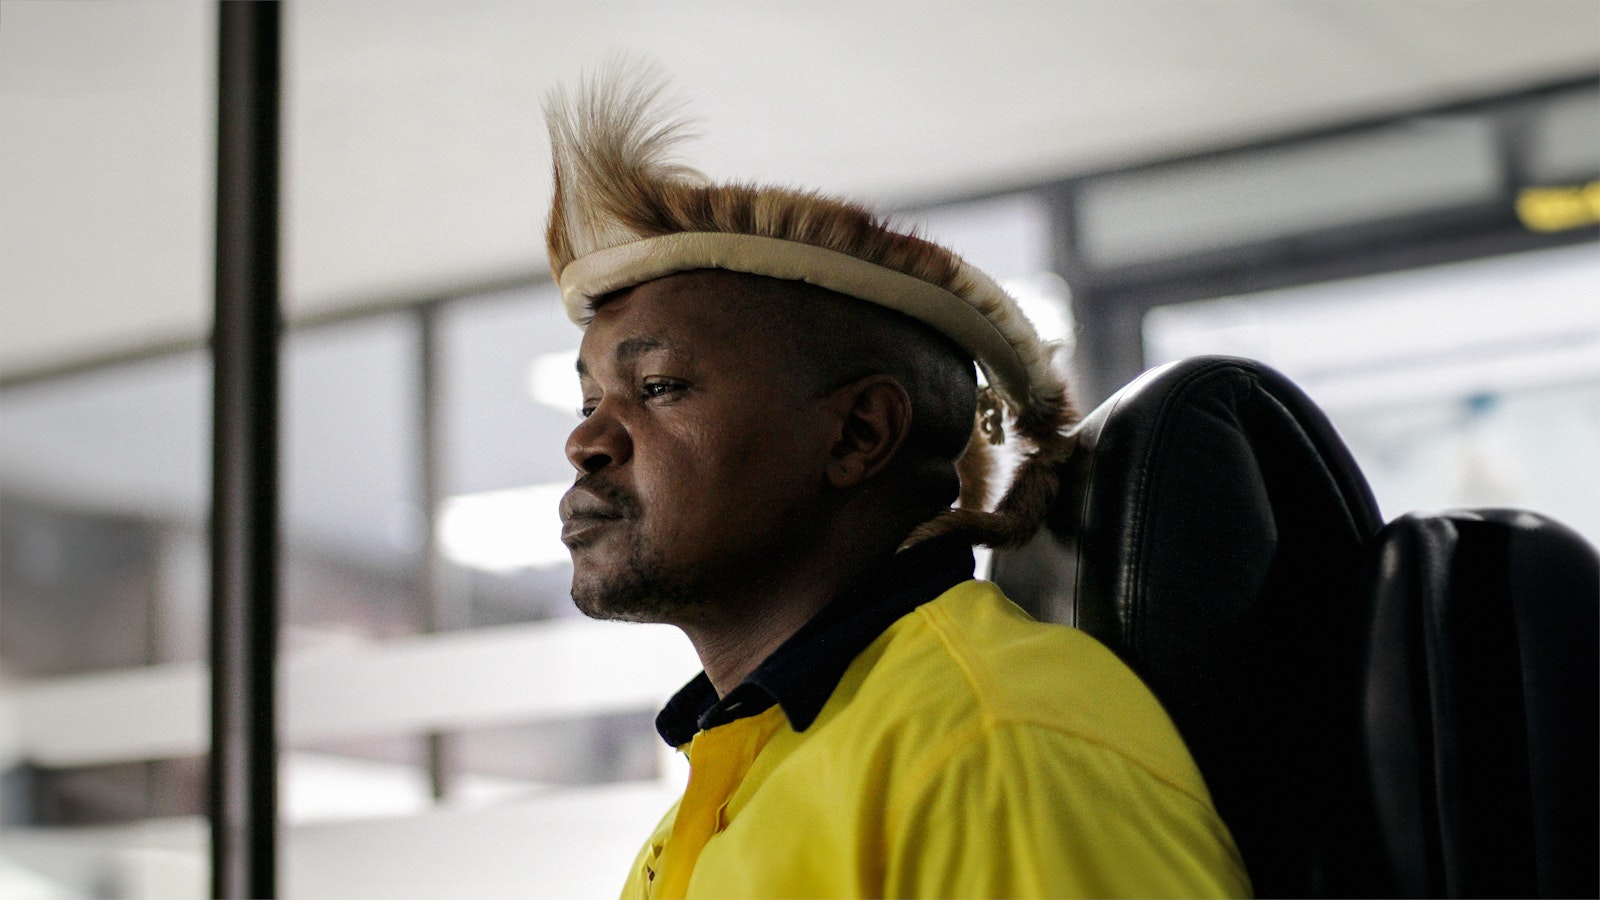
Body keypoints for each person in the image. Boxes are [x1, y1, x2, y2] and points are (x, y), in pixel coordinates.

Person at [546, 63, 1251, 899]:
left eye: (658, 388)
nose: (585, 441)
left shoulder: (991, 748)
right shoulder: (746, 765)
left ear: (858, 434)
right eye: (591, 399)